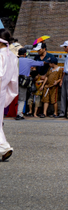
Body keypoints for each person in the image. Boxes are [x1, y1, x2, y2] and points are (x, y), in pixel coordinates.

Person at [0, 30, 20, 161]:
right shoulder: (13, 56)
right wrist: (8, 96)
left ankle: (4, 147)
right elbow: (14, 81)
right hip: (2, 92)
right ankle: (3, 147)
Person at [15, 48, 44, 119]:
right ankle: (19, 114)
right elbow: (40, 63)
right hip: (23, 81)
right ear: (25, 54)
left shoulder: (14, 60)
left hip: (14, 80)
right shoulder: (28, 60)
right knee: (22, 98)